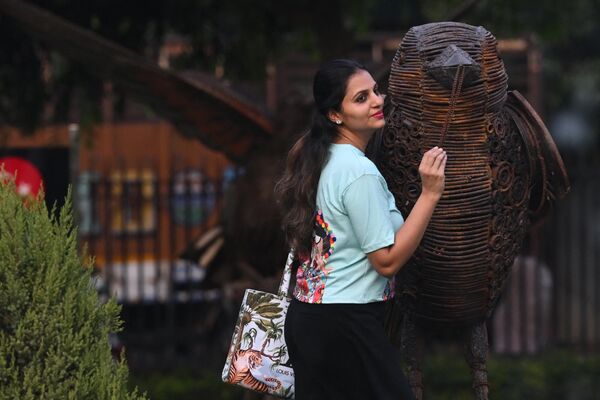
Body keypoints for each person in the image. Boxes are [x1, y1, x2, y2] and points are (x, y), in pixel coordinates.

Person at [275, 59, 446, 400]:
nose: (377, 101)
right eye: (361, 98)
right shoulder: (358, 172)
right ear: (335, 115)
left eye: (376, 91)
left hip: (309, 319)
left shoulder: (321, 161)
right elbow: (386, 261)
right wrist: (430, 193)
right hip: (347, 324)